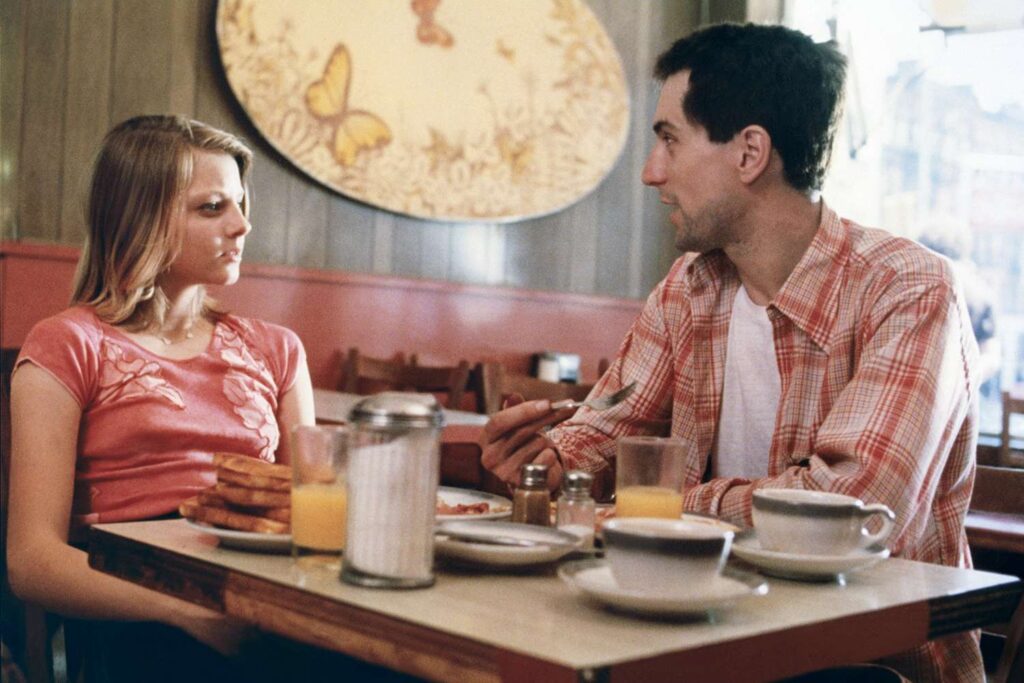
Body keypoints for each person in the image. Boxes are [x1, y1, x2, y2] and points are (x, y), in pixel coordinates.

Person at [480, 23, 981, 682]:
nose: (651, 172)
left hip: (870, 664)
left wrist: (667, 504)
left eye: (669, 140)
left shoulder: (908, 289)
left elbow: (849, 509)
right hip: (706, 643)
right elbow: (598, 439)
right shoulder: (689, 288)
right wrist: (542, 465)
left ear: (749, 154)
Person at [5, 115, 316, 682]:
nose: (242, 225)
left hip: (259, 591)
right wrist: (185, 611)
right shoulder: (69, 344)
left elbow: (311, 516)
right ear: (140, 218)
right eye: (212, 207)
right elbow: (31, 561)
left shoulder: (277, 349)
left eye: (240, 203)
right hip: (136, 608)